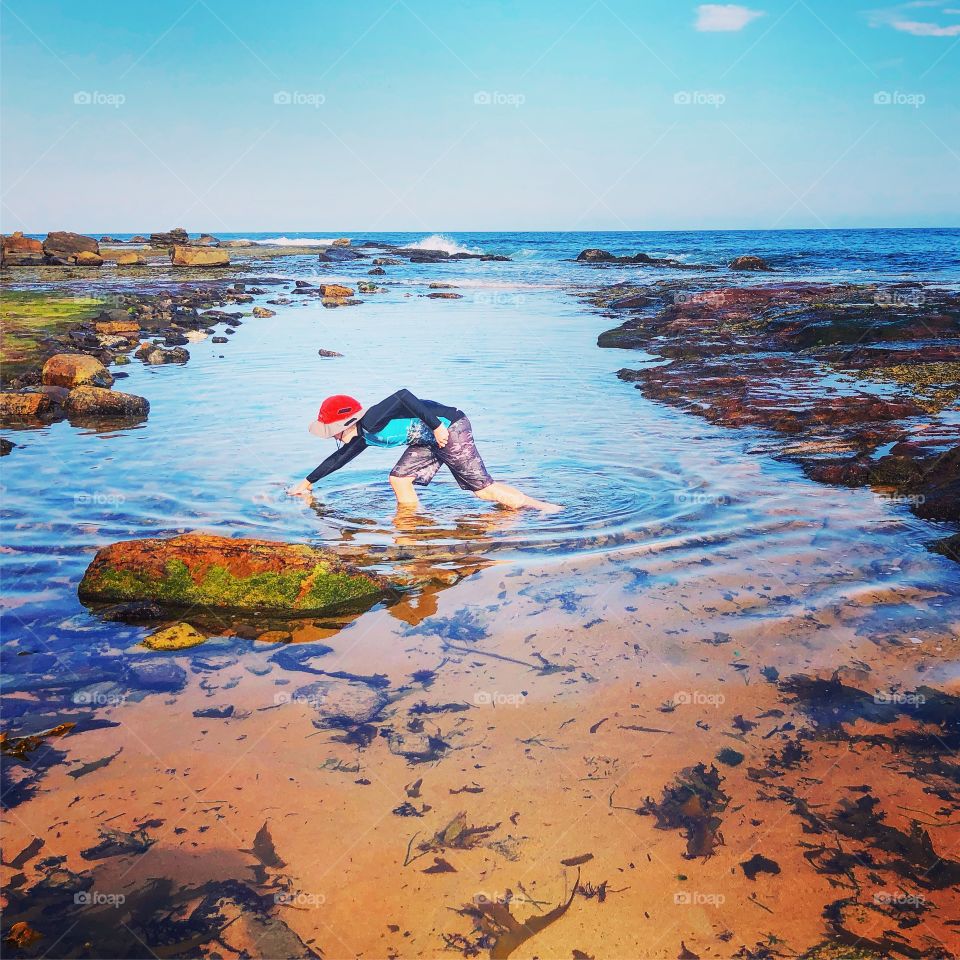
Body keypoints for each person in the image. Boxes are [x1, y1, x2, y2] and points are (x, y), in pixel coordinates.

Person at [287, 389, 561, 512]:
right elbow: (338, 460)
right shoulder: (361, 437)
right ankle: (412, 522)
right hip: (429, 439)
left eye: (332, 431)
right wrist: (305, 483)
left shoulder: (371, 419)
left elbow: (402, 395)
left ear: (346, 422)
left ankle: (541, 507)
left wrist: (437, 427)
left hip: (449, 428)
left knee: (483, 491)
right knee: (398, 478)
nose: (333, 437)